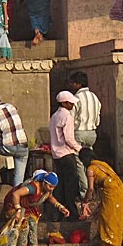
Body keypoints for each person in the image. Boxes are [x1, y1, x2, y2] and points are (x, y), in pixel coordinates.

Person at [4, 171, 67, 246]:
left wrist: (60, 207)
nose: (52, 189)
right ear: (44, 183)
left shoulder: (46, 190)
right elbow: (15, 194)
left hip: (28, 207)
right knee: (25, 228)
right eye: (50, 186)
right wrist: (18, 210)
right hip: (14, 205)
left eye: (53, 187)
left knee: (33, 225)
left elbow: (49, 197)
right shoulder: (32, 187)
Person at [78, 148, 123, 246]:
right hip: (114, 193)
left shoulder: (91, 169)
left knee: (111, 223)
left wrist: (85, 202)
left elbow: (90, 189)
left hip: (113, 195)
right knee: (104, 221)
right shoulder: (102, 165)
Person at [49, 90, 82, 221]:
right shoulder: (67, 116)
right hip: (67, 154)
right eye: (70, 103)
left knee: (60, 186)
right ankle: (72, 213)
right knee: (70, 186)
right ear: (64, 103)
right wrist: (79, 148)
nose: (72, 105)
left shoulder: (54, 116)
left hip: (57, 155)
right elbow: (68, 138)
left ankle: (58, 213)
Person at [68, 72, 101, 150]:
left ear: (79, 84)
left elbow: (71, 117)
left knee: (77, 159)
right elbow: (98, 117)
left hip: (79, 133)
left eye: (73, 83)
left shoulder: (76, 98)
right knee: (88, 157)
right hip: (92, 134)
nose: (71, 85)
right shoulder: (94, 96)